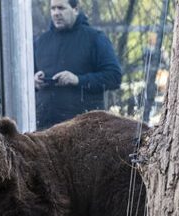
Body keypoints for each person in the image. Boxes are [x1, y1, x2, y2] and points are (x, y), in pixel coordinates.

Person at [33, 0, 122, 129]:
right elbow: (25, 80)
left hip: (83, 130)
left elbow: (114, 77)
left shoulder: (95, 38)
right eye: (53, 9)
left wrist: (77, 80)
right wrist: (35, 81)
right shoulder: (41, 42)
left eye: (61, 8)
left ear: (75, 9)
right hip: (45, 128)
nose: (56, 13)